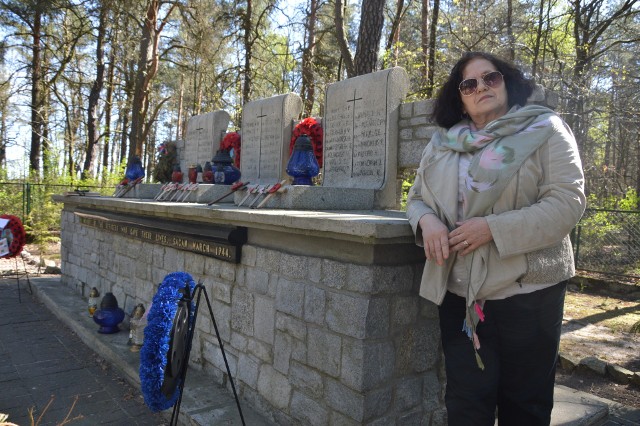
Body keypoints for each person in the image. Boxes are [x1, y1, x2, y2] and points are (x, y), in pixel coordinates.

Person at [406, 52, 586, 425]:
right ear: (459, 97)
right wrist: (428, 223)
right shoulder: (442, 145)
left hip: (529, 294)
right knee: (465, 404)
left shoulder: (545, 129)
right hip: (460, 296)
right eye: (469, 84)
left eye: (491, 78)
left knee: (526, 407)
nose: (481, 88)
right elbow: (417, 197)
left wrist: (492, 229)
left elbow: (567, 203)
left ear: (507, 81)